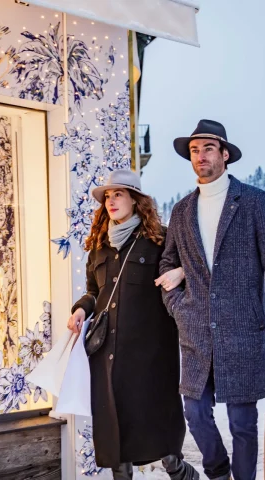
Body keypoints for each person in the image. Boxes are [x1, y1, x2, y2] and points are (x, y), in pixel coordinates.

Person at [158, 119, 265, 480]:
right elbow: (169, 262)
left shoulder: (256, 203)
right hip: (196, 332)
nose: (200, 156)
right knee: (195, 413)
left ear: (225, 154)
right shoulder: (182, 210)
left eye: (208, 148)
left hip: (244, 332)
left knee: (242, 423)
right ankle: (217, 473)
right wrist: (179, 308)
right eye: (194, 150)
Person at [67, 169, 199, 480]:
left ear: (135, 201)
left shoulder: (160, 240)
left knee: (157, 416)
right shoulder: (99, 247)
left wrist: (180, 273)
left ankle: (178, 471)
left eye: (118, 194)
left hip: (151, 350)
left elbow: (194, 270)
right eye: (107, 197)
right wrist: (80, 309)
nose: (111, 201)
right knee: (113, 421)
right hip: (108, 350)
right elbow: (93, 291)